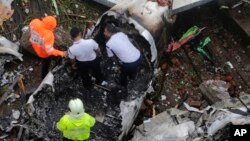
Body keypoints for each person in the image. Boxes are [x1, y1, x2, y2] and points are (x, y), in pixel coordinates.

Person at [103, 23, 142, 88]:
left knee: (123, 74)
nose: (104, 33)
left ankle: (123, 86)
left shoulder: (108, 44)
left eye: (105, 32)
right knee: (133, 69)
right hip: (139, 56)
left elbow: (112, 57)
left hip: (130, 64)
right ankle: (132, 77)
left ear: (109, 32)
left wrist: (119, 64)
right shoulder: (121, 34)